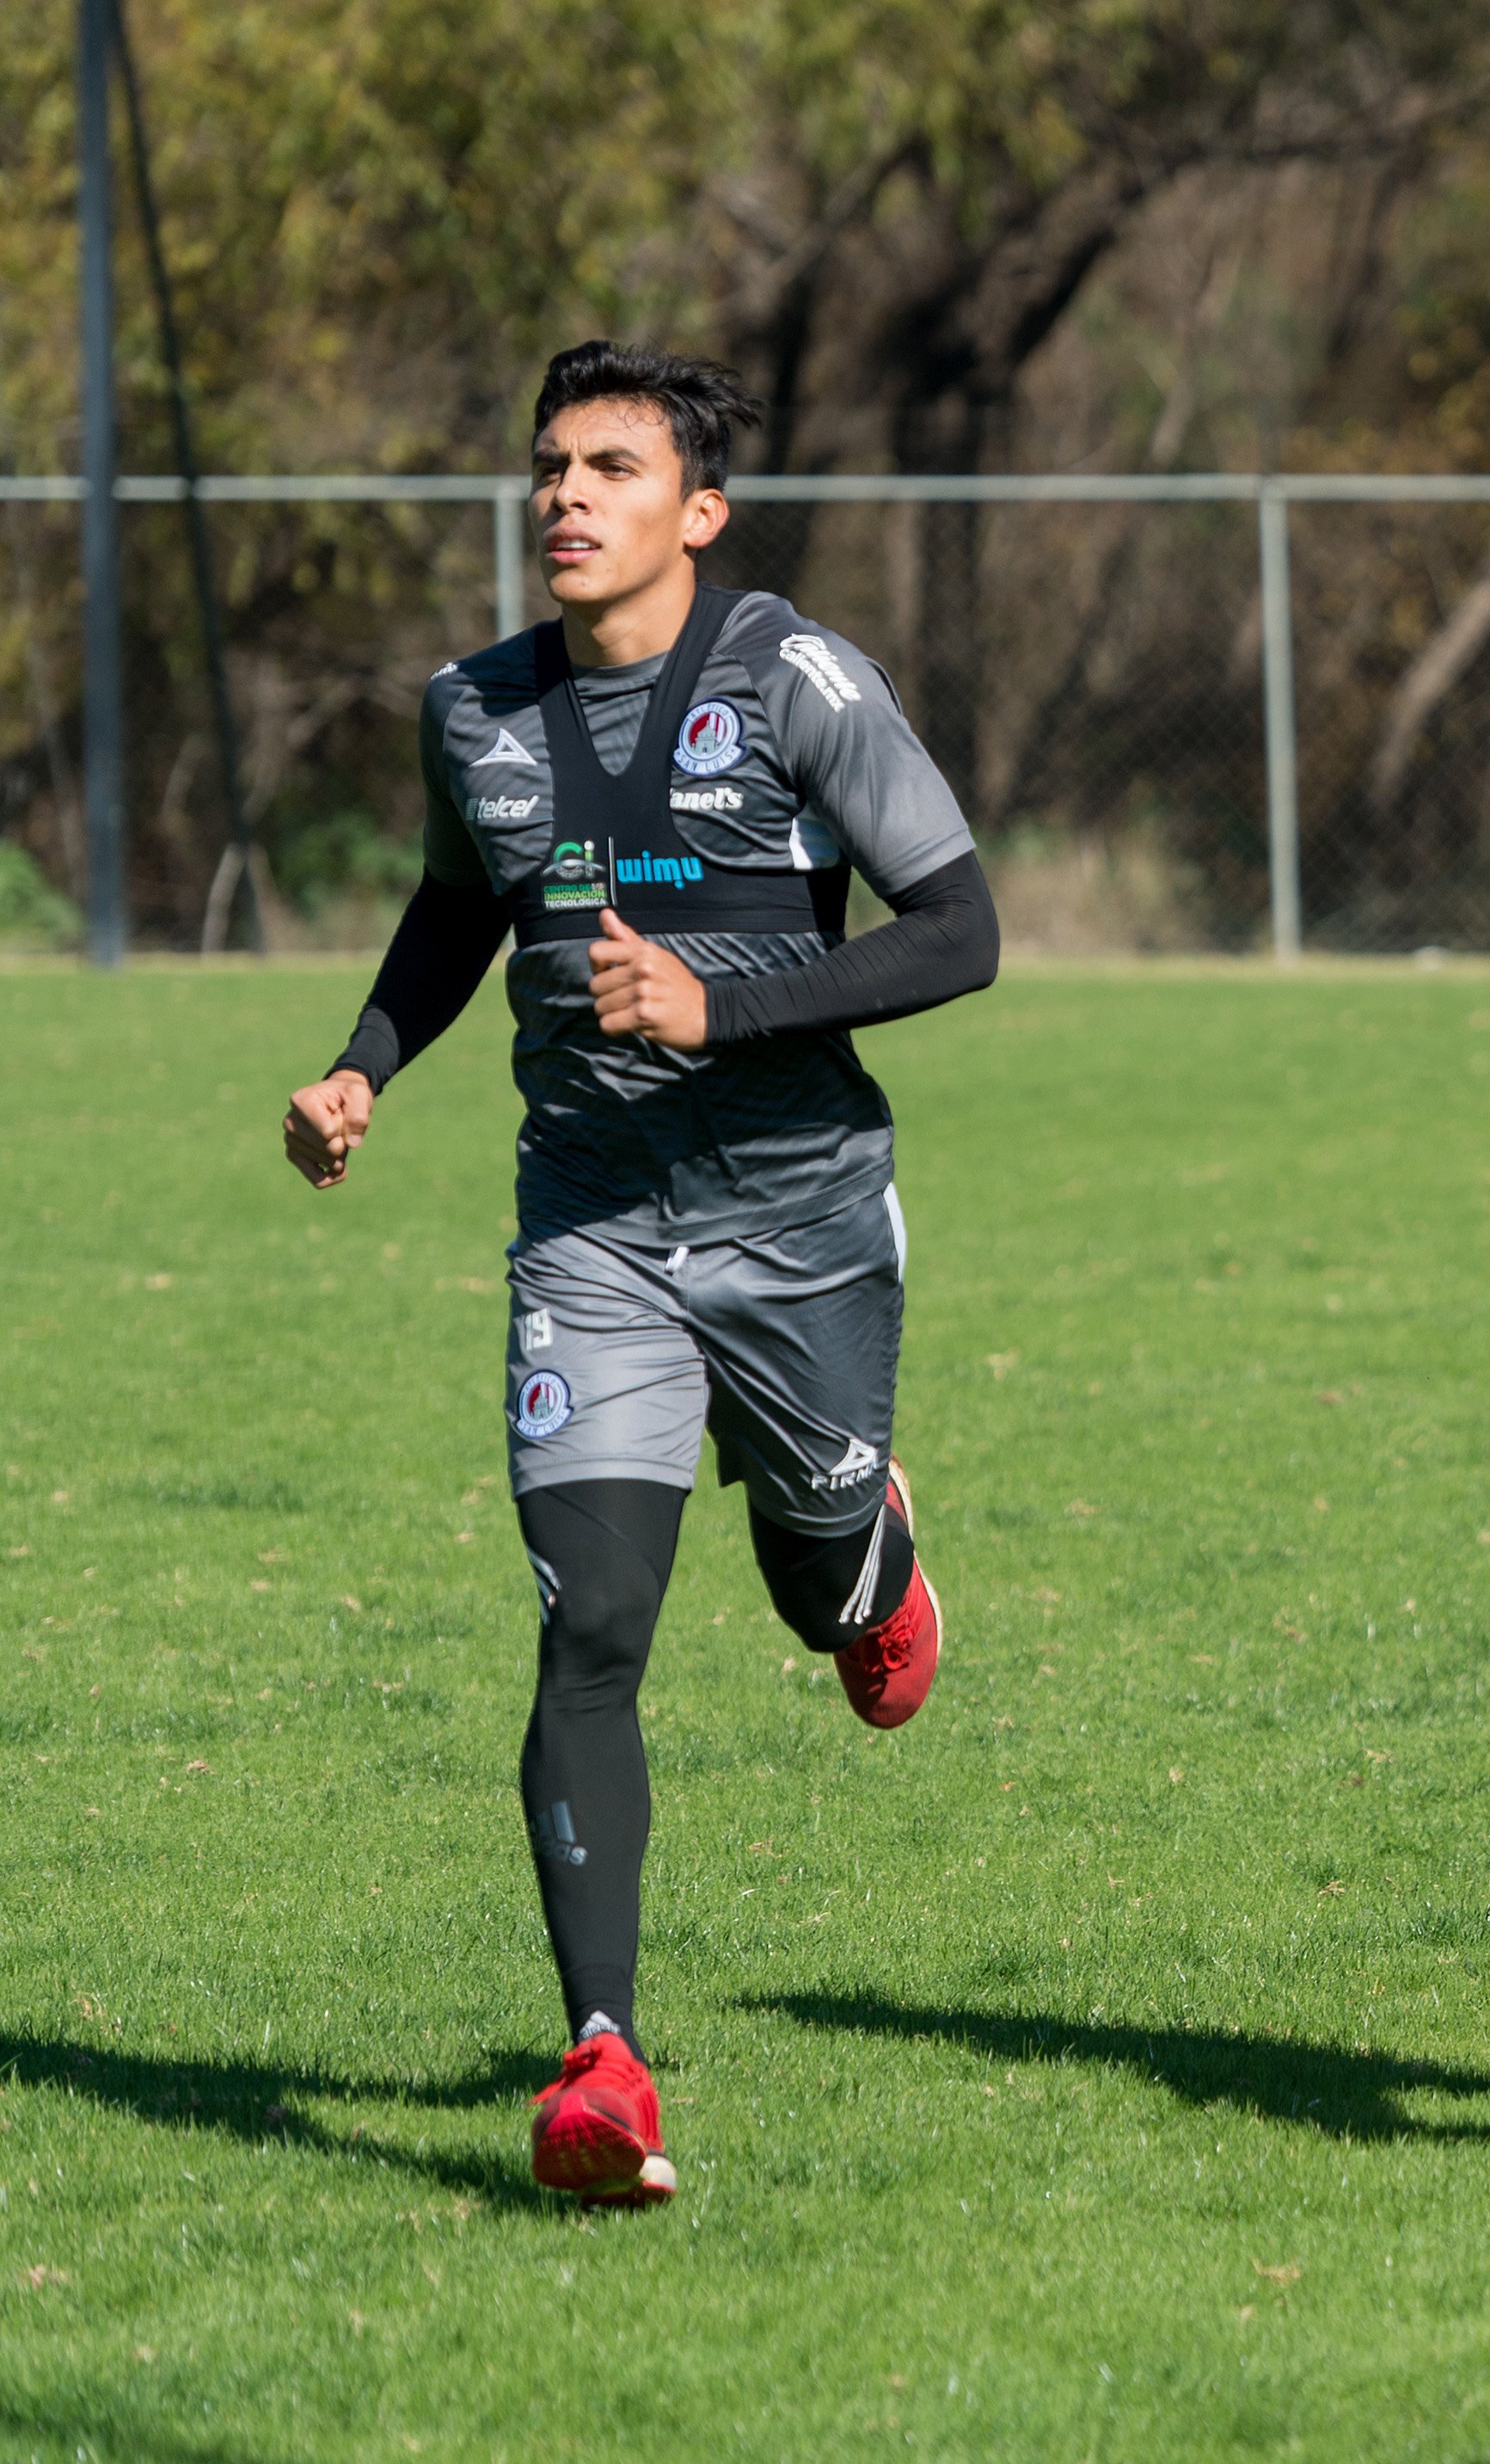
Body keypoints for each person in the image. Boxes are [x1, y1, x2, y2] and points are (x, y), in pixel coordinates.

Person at [282, 342, 999, 2207]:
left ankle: (867, 1547)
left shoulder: (792, 679)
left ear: (700, 509)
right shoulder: (478, 711)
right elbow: (460, 903)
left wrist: (722, 1002)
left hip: (800, 1213)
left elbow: (962, 928)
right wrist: (366, 1058)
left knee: (819, 1596)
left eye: (611, 465)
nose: (566, 496)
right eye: (548, 466)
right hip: (590, 1223)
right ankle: (603, 2062)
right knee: (591, 1623)